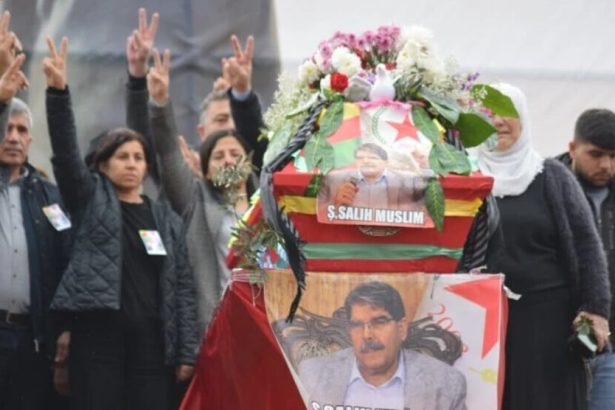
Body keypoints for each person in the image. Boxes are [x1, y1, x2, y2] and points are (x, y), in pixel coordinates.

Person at [43, 36, 198, 409]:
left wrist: (186, 351)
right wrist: (58, 93)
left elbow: (182, 288)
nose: (132, 164)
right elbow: (65, 153)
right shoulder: (90, 199)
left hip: (152, 345)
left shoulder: (165, 218)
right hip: (99, 342)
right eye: (122, 156)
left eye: (139, 157)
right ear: (102, 164)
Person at [476, 83, 611, 410]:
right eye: (489, 112)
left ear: (523, 119)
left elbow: (587, 247)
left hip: (548, 323)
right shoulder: (463, 175)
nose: (498, 121)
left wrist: (595, 310)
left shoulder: (551, 175)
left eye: (507, 112)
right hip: (481, 320)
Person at [147, 48, 258, 337]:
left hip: (262, 327)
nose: (229, 161)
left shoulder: (267, 202)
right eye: (218, 157)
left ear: (250, 164)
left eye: (236, 154)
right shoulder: (195, 200)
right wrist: (160, 104)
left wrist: (242, 92)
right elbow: (168, 153)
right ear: (205, 171)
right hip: (214, 329)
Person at [0, 26, 70, 409]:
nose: (13, 137)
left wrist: (64, 331)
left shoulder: (49, 196)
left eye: (21, 130)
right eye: (7, 128)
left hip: (31, 339)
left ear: (30, 140)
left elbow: (65, 264)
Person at [298, 281, 467, 410]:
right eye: (357, 325)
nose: (367, 335)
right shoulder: (312, 374)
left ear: (401, 329)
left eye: (379, 322)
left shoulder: (446, 383)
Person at [555, 108, 615, 410]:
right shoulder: (546, 187)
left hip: (610, 348)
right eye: (596, 154)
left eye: (614, 156)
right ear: (572, 148)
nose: (606, 165)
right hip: (556, 344)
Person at [319, 143, 426, 210]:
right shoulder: (333, 179)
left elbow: (428, 197)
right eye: (360, 158)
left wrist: (424, 163)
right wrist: (334, 204)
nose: (365, 161)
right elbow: (316, 211)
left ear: (386, 162)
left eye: (373, 157)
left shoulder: (408, 180)